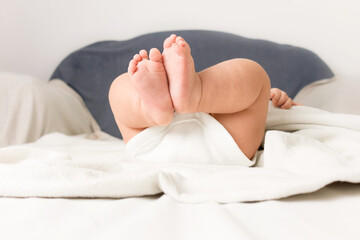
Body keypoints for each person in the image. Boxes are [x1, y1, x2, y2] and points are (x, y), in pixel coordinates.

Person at [109, 34, 299, 161]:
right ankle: (194, 94)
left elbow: (300, 113)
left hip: (151, 148)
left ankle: (149, 109)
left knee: (118, 87)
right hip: (225, 148)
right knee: (255, 75)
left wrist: (276, 99)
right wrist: (260, 94)